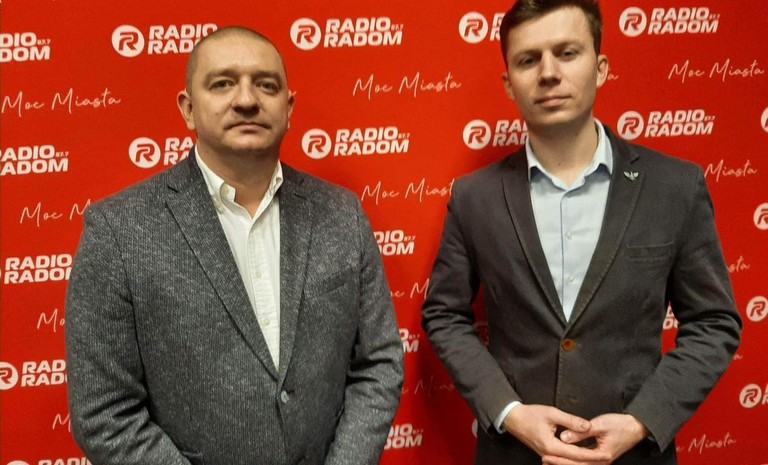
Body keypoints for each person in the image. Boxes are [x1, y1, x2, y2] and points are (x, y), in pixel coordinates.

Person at [421, 1, 742, 464]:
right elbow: (444, 315)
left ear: (601, 67)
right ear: (509, 83)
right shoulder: (475, 197)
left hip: (635, 457)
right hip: (513, 454)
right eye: (528, 60)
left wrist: (642, 421)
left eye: (567, 53)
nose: (548, 73)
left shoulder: (675, 187)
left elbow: (714, 323)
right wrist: (509, 412)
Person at [66, 26, 403, 465]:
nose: (246, 100)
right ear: (188, 109)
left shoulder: (342, 214)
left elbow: (378, 363)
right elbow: (104, 414)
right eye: (223, 83)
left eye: (266, 85)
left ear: (289, 108)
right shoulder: (118, 231)